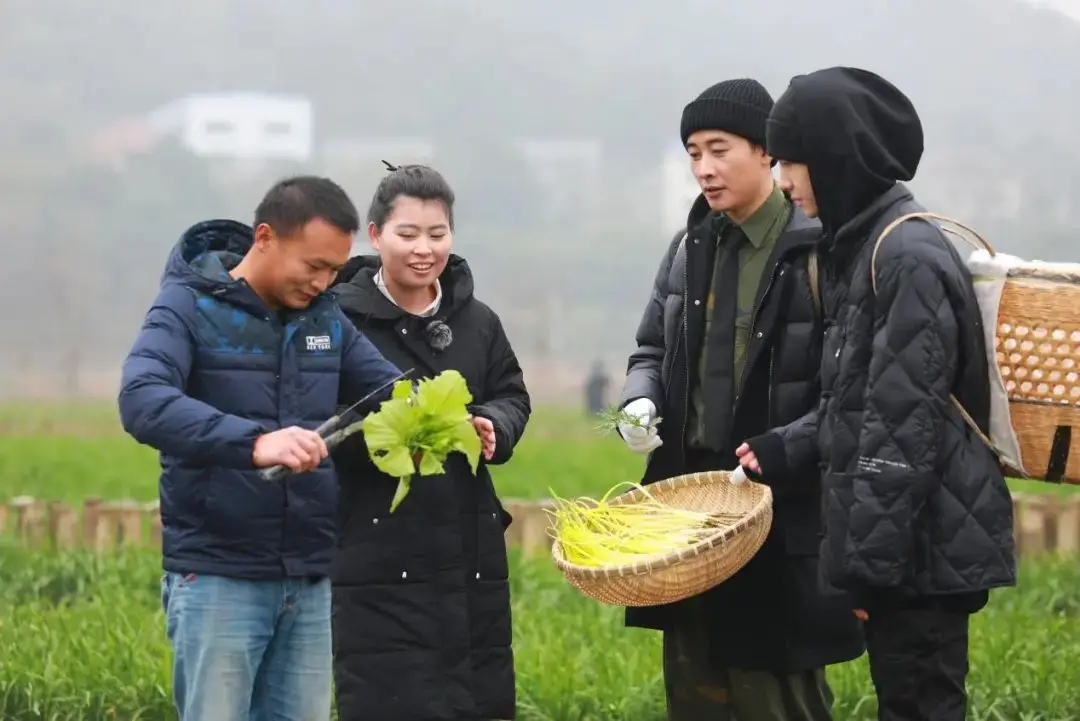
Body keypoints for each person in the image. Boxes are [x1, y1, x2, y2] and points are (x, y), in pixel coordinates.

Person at [736, 66, 1017, 721]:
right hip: (910, 547)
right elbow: (861, 399)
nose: (782, 182)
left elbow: (900, 431)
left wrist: (868, 569)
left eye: (790, 162)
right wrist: (787, 444)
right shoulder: (865, 246)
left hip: (922, 552)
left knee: (920, 705)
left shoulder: (904, 257)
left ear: (833, 158)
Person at [616, 78, 864, 721]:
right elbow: (649, 351)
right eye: (693, 152)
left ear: (766, 152)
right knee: (694, 693)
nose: (704, 168)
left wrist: (787, 450)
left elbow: (849, 392)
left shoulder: (820, 250)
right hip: (690, 511)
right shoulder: (689, 247)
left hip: (783, 513)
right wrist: (638, 403)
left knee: (777, 696)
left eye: (719, 149)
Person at [117, 176, 404, 721]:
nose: (323, 283)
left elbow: (391, 389)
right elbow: (142, 399)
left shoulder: (324, 317)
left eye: (334, 272)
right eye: (313, 266)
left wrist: (463, 417)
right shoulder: (186, 306)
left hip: (308, 577)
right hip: (219, 577)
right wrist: (254, 443)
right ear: (265, 238)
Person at [328, 164, 531, 721]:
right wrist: (391, 438)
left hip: (468, 547)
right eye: (408, 234)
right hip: (376, 545)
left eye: (437, 235)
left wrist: (494, 424)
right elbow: (320, 420)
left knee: (476, 697)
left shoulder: (477, 321)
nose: (424, 249)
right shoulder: (340, 322)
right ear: (375, 236)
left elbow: (513, 393)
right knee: (388, 698)